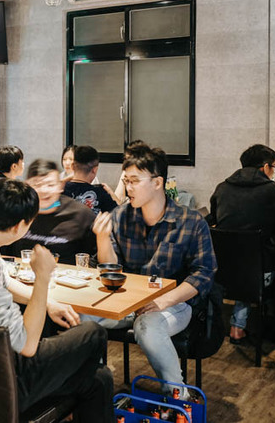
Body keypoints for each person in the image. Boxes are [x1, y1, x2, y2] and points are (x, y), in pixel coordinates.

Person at [0, 179, 113, 422]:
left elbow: (5, 281)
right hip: (0, 385)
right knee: (93, 333)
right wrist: (42, 278)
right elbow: (27, 345)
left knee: (99, 378)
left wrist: (48, 303)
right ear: (18, 227)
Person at [89, 144, 216, 396]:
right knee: (80, 317)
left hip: (174, 304)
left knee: (147, 325)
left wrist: (164, 300)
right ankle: (92, 390)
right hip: (126, 301)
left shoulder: (190, 221)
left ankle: (178, 396)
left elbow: (203, 273)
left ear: (158, 183)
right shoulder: (120, 216)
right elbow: (109, 269)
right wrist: (102, 240)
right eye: (126, 181)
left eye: (135, 181)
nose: (128, 188)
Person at [208, 144, 275, 343]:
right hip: (258, 275)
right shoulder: (274, 191)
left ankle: (233, 327)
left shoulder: (222, 188)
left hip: (221, 272)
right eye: (273, 167)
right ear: (265, 167)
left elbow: (213, 219)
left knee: (246, 261)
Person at [2, 159, 97, 265]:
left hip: (67, 275)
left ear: (60, 186)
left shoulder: (81, 215)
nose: (44, 190)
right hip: (22, 273)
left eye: (50, 185)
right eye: (37, 185)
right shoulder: (17, 211)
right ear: (27, 186)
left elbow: (95, 261)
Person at [63, 145, 118, 215]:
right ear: (94, 170)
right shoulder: (100, 192)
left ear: (72, 166)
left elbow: (52, 206)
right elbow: (119, 215)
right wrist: (112, 194)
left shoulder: (60, 190)